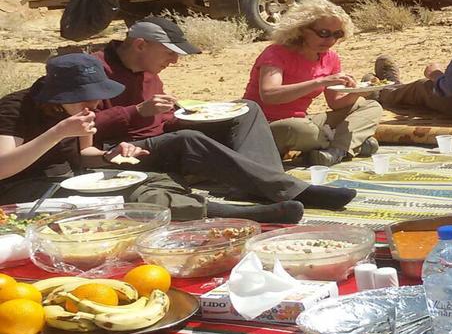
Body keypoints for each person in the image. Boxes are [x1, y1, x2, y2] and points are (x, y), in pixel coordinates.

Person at [92, 16, 357, 215]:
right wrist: (136, 112)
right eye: (170, 53)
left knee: (246, 108)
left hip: (160, 137)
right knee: (187, 138)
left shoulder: (147, 69)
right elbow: (80, 129)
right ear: (140, 45)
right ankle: (288, 190)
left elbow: (157, 118)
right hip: (124, 150)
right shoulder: (93, 70)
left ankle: (270, 188)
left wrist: (188, 112)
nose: (174, 62)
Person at [0, 54, 294, 221]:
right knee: (124, 197)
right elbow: (4, 167)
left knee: (149, 178)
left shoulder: (80, 108)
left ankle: (281, 190)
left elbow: (84, 155)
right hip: (23, 188)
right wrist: (57, 133)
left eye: (94, 99)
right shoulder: (15, 106)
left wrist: (110, 155)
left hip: (70, 176)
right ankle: (241, 214)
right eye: (82, 99)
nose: (90, 106)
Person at [243, 0, 382, 166]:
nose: (330, 40)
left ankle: (336, 150)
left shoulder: (330, 58)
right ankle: (352, 143)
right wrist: (320, 82)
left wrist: (358, 92)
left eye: (336, 34)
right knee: (301, 130)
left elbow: (336, 103)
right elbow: (269, 94)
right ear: (301, 29)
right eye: (323, 33)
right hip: (266, 125)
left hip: (304, 120)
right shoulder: (276, 53)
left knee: (370, 106)